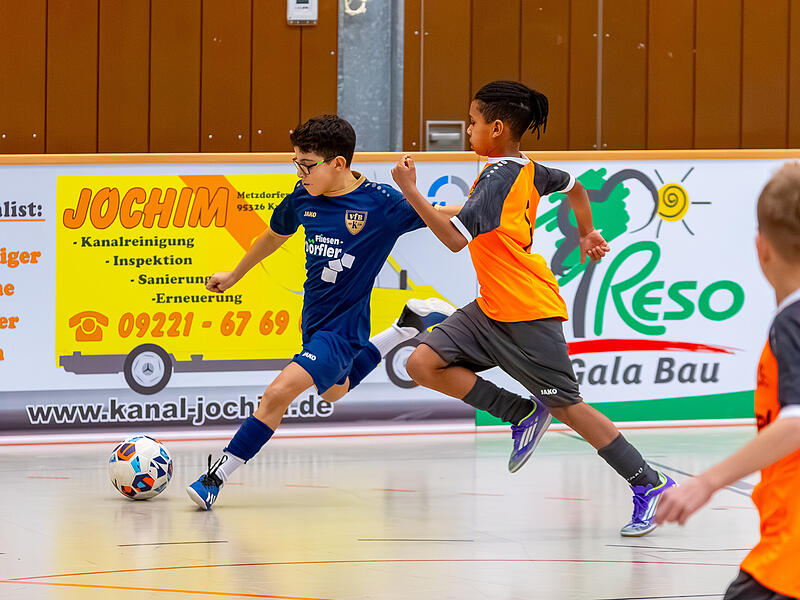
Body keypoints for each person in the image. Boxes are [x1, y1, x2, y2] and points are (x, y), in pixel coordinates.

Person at [391, 80, 675, 536]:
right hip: (492, 308)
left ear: (497, 128)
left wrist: (410, 191)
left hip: (527, 311)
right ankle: (520, 413)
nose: (468, 131)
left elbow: (452, 240)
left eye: (473, 122)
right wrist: (586, 231)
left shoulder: (499, 177)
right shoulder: (524, 168)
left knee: (570, 409)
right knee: (423, 362)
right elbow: (578, 186)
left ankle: (650, 482)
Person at [187, 114, 455, 510]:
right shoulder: (302, 198)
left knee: (277, 393)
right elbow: (273, 236)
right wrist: (235, 275)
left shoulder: (380, 204)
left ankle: (215, 477)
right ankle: (404, 327)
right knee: (334, 392)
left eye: (307, 164)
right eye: (295, 161)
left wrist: (495, 203)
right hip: (313, 318)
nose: (299, 172)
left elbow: (444, 214)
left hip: (344, 328)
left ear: (338, 164)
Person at [657, 163, 800, 599]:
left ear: (762, 248)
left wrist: (707, 481)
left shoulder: (793, 323)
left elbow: (796, 421)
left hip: (789, 557)